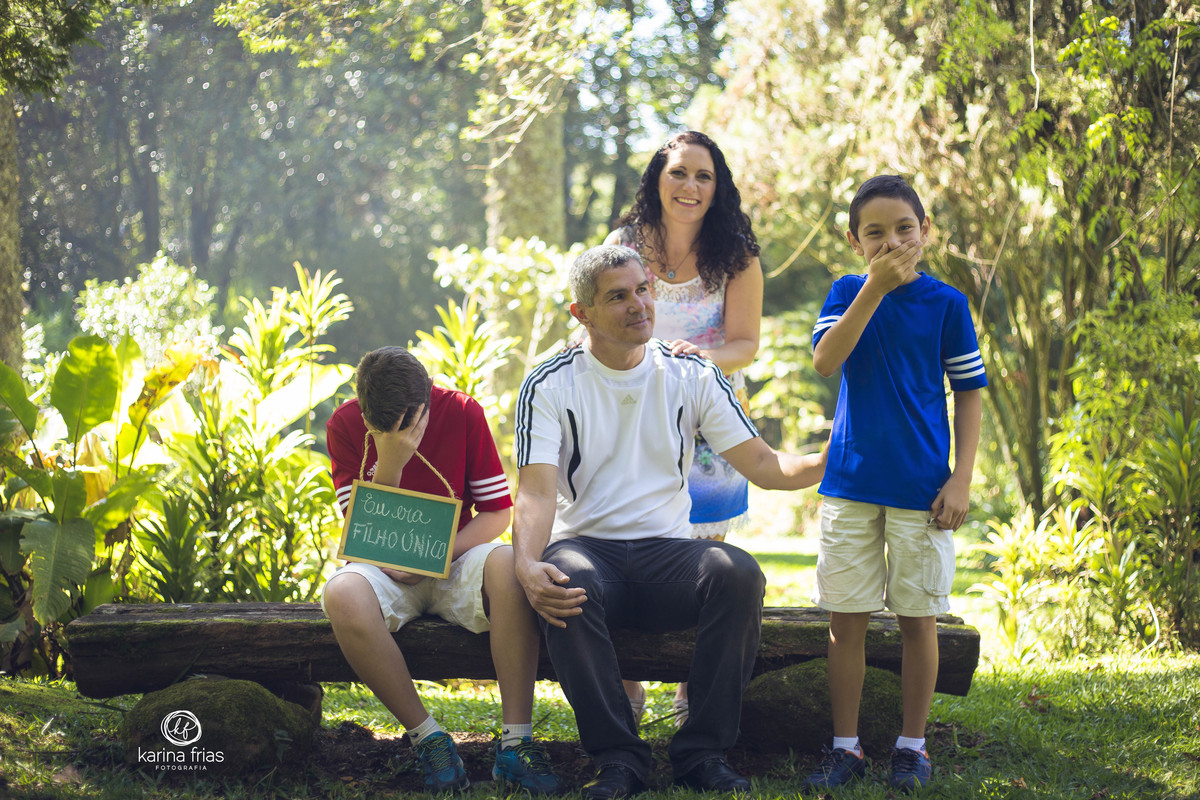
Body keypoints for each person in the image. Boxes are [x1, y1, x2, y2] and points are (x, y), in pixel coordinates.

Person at [513, 244, 825, 799]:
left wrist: (831, 459)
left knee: (738, 572)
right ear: (581, 313)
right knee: (565, 580)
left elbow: (762, 463)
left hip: (669, 558)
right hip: (589, 552)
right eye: (617, 297)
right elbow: (535, 493)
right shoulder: (549, 382)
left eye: (643, 289)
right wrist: (527, 563)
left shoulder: (691, 373)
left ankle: (701, 753)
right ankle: (618, 760)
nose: (639, 305)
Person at [804, 175, 986, 792]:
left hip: (923, 489)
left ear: (925, 232)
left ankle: (912, 746)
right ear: (856, 242)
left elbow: (969, 393)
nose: (891, 242)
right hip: (851, 483)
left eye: (904, 229)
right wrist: (873, 291)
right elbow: (827, 360)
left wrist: (961, 479)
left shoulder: (947, 304)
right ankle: (846, 746)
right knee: (845, 618)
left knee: (917, 619)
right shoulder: (847, 291)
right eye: (875, 233)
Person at [323, 346, 559, 794]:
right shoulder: (344, 424)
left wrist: (437, 555)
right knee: (342, 594)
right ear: (366, 412)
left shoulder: (462, 411)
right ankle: (429, 738)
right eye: (382, 425)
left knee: (508, 563)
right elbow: (362, 528)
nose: (399, 430)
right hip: (382, 565)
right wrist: (391, 459)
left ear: (427, 400)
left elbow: (496, 513)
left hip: (453, 556)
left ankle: (516, 743)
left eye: (409, 421)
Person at [604, 130, 764, 729]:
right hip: (629, 415)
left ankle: (692, 694)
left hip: (708, 423)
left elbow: (746, 344)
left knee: (703, 560)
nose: (690, 187)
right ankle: (628, 688)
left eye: (704, 177)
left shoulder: (737, 254)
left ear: (717, 188)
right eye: (679, 173)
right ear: (656, 179)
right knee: (625, 544)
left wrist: (689, 358)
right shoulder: (623, 244)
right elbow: (595, 314)